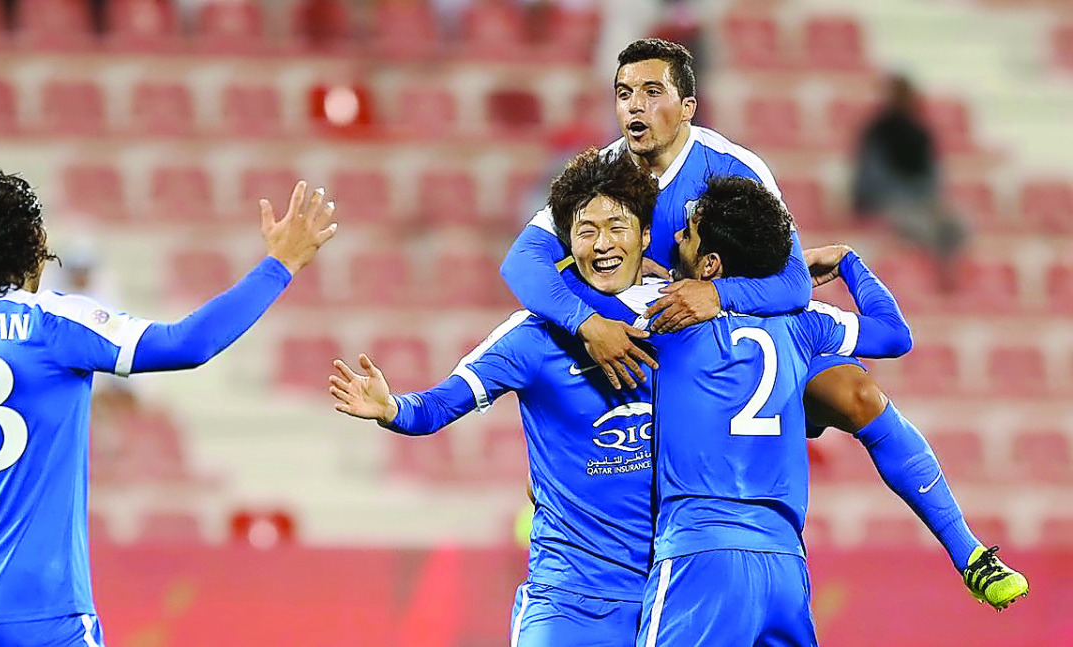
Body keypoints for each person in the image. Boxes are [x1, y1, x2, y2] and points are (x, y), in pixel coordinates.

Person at [498, 37, 1026, 608]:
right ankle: (563, 528)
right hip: (642, 343)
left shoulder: (734, 168)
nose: (634, 108)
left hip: (723, 344)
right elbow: (521, 262)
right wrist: (586, 323)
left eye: (652, 93)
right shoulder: (605, 172)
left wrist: (715, 295)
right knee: (595, 439)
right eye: (624, 94)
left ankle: (969, 552)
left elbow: (793, 285)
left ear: (689, 104)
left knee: (859, 391)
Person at [0, 170, 337, 646]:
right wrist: (279, 264)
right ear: (33, 248)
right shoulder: (52, 323)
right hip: (42, 611)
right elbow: (190, 343)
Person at [332, 151, 658, 647]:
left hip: (664, 593)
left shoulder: (682, 321)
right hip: (566, 598)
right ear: (567, 243)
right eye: (586, 230)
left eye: (617, 226)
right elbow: (440, 405)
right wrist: (391, 407)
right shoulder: (532, 337)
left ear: (645, 235)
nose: (604, 243)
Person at [628, 176, 907, 646]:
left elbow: (567, 298)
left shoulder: (663, 315)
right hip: (783, 566)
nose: (676, 236)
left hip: (701, 554)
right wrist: (848, 261)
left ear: (711, 265)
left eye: (688, 233)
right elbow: (895, 334)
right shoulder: (801, 324)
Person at [853, 74, 965, 289]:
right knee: (921, 227)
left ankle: (951, 276)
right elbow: (872, 181)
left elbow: (932, 176)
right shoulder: (877, 132)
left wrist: (926, 199)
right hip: (889, 201)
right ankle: (936, 281)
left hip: (921, 201)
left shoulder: (920, 133)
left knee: (957, 224)